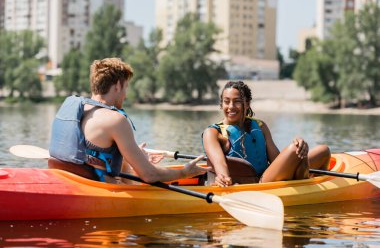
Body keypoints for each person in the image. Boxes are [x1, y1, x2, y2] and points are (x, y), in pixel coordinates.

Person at [49, 57, 209, 183]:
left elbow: (89, 150)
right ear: (118, 85)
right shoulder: (115, 119)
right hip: (97, 187)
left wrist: (133, 154)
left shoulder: (73, 108)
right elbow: (150, 175)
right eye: (126, 87)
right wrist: (184, 172)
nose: (125, 94)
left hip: (64, 177)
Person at [202, 80, 331, 187]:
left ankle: (315, 188)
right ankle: (305, 184)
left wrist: (299, 147)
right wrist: (223, 178)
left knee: (323, 151)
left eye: (237, 101)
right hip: (257, 184)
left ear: (247, 104)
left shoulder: (260, 126)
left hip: (268, 177)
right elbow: (220, 163)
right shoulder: (213, 133)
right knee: (295, 149)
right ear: (221, 104)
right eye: (226, 101)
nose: (231, 106)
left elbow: (276, 160)